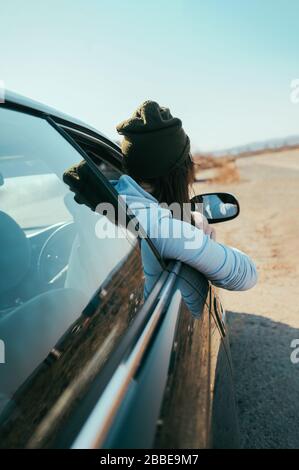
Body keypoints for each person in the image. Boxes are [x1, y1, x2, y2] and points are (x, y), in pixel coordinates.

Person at [113, 100, 257, 291]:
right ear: (179, 174)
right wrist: (203, 240)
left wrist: (190, 218)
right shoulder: (161, 228)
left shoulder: (112, 196)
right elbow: (246, 274)